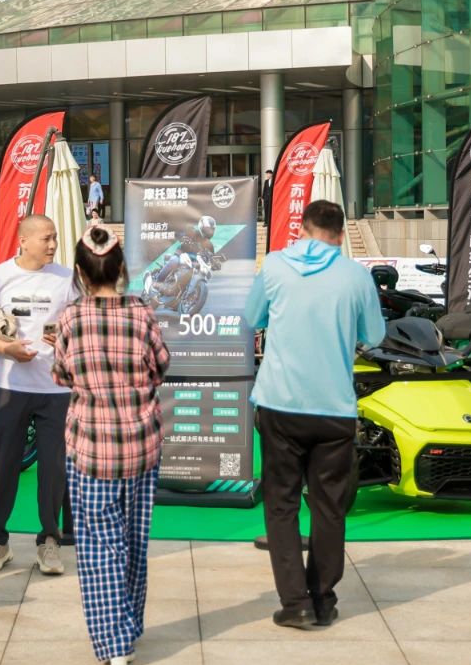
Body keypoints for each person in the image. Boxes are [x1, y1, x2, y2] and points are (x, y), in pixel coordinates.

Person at [244, 200, 385, 630]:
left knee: (281, 504)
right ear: (340, 235)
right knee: (328, 506)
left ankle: (295, 603)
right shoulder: (356, 276)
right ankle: (323, 598)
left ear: (302, 229)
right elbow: (375, 335)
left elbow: (252, 317)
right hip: (333, 407)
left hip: (280, 402)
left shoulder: (275, 265)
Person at [52, 224, 169, 665]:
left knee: (99, 546)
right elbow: (160, 366)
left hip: (90, 447)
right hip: (141, 445)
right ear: (121, 269)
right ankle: (129, 626)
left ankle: (114, 642)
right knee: (134, 542)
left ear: (81, 274)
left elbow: (61, 375)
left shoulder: (70, 318)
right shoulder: (142, 313)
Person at [0, 214, 76, 576]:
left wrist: (64, 335)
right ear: (24, 240)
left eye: (55, 237)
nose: (53, 244)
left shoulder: (67, 278)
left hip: (56, 387)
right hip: (9, 386)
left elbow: (81, 325)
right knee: (3, 465)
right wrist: (4, 348)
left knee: (53, 467)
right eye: (46, 238)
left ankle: (49, 541)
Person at [150, 215, 217, 298]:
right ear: (201, 227)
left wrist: (215, 263)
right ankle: (157, 282)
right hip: (182, 255)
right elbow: (182, 234)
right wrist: (183, 237)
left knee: (202, 272)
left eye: (211, 230)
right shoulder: (192, 232)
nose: (209, 232)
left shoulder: (209, 245)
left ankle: (184, 292)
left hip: (194, 262)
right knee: (174, 261)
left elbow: (211, 257)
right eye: (207, 229)